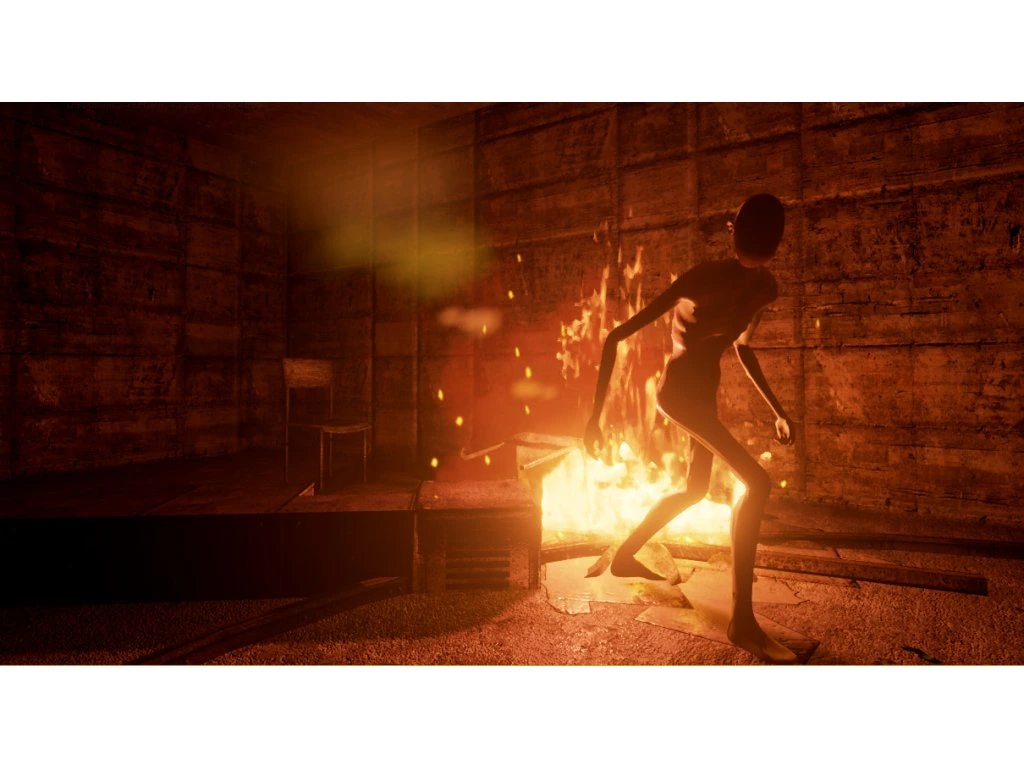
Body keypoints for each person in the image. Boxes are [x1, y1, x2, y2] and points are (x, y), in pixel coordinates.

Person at [583, 193, 797, 664]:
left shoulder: (765, 288)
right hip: (678, 394)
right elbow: (616, 336)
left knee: (695, 490)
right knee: (758, 483)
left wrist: (778, 409)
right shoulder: (700, 279)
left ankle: (625, 555)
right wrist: (593, 418)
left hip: (704, 395)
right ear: (735, 232)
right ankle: (743, 624)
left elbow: (743, 348)